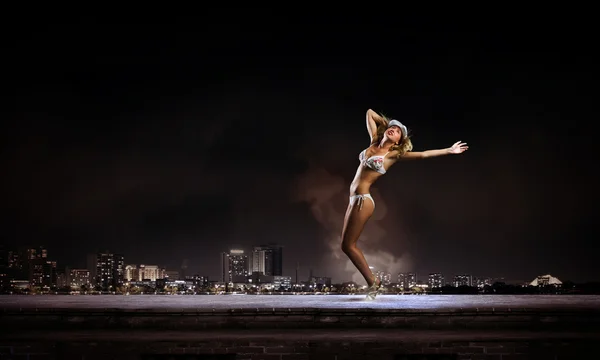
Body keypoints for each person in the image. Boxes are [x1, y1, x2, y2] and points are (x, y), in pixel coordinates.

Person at [340, 109, 469, 300]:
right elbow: (369, 113)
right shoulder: (373, 142)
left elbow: (424, 155)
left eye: (399, 131)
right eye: (392, 128)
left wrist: (449, 150)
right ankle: (373, 282)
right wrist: (390, 125)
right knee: (345, 245)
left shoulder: (393, 155)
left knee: (349, 245)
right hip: (353, 199)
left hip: (363, 201)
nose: (394, 130)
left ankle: (374, 283)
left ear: (400, 141)